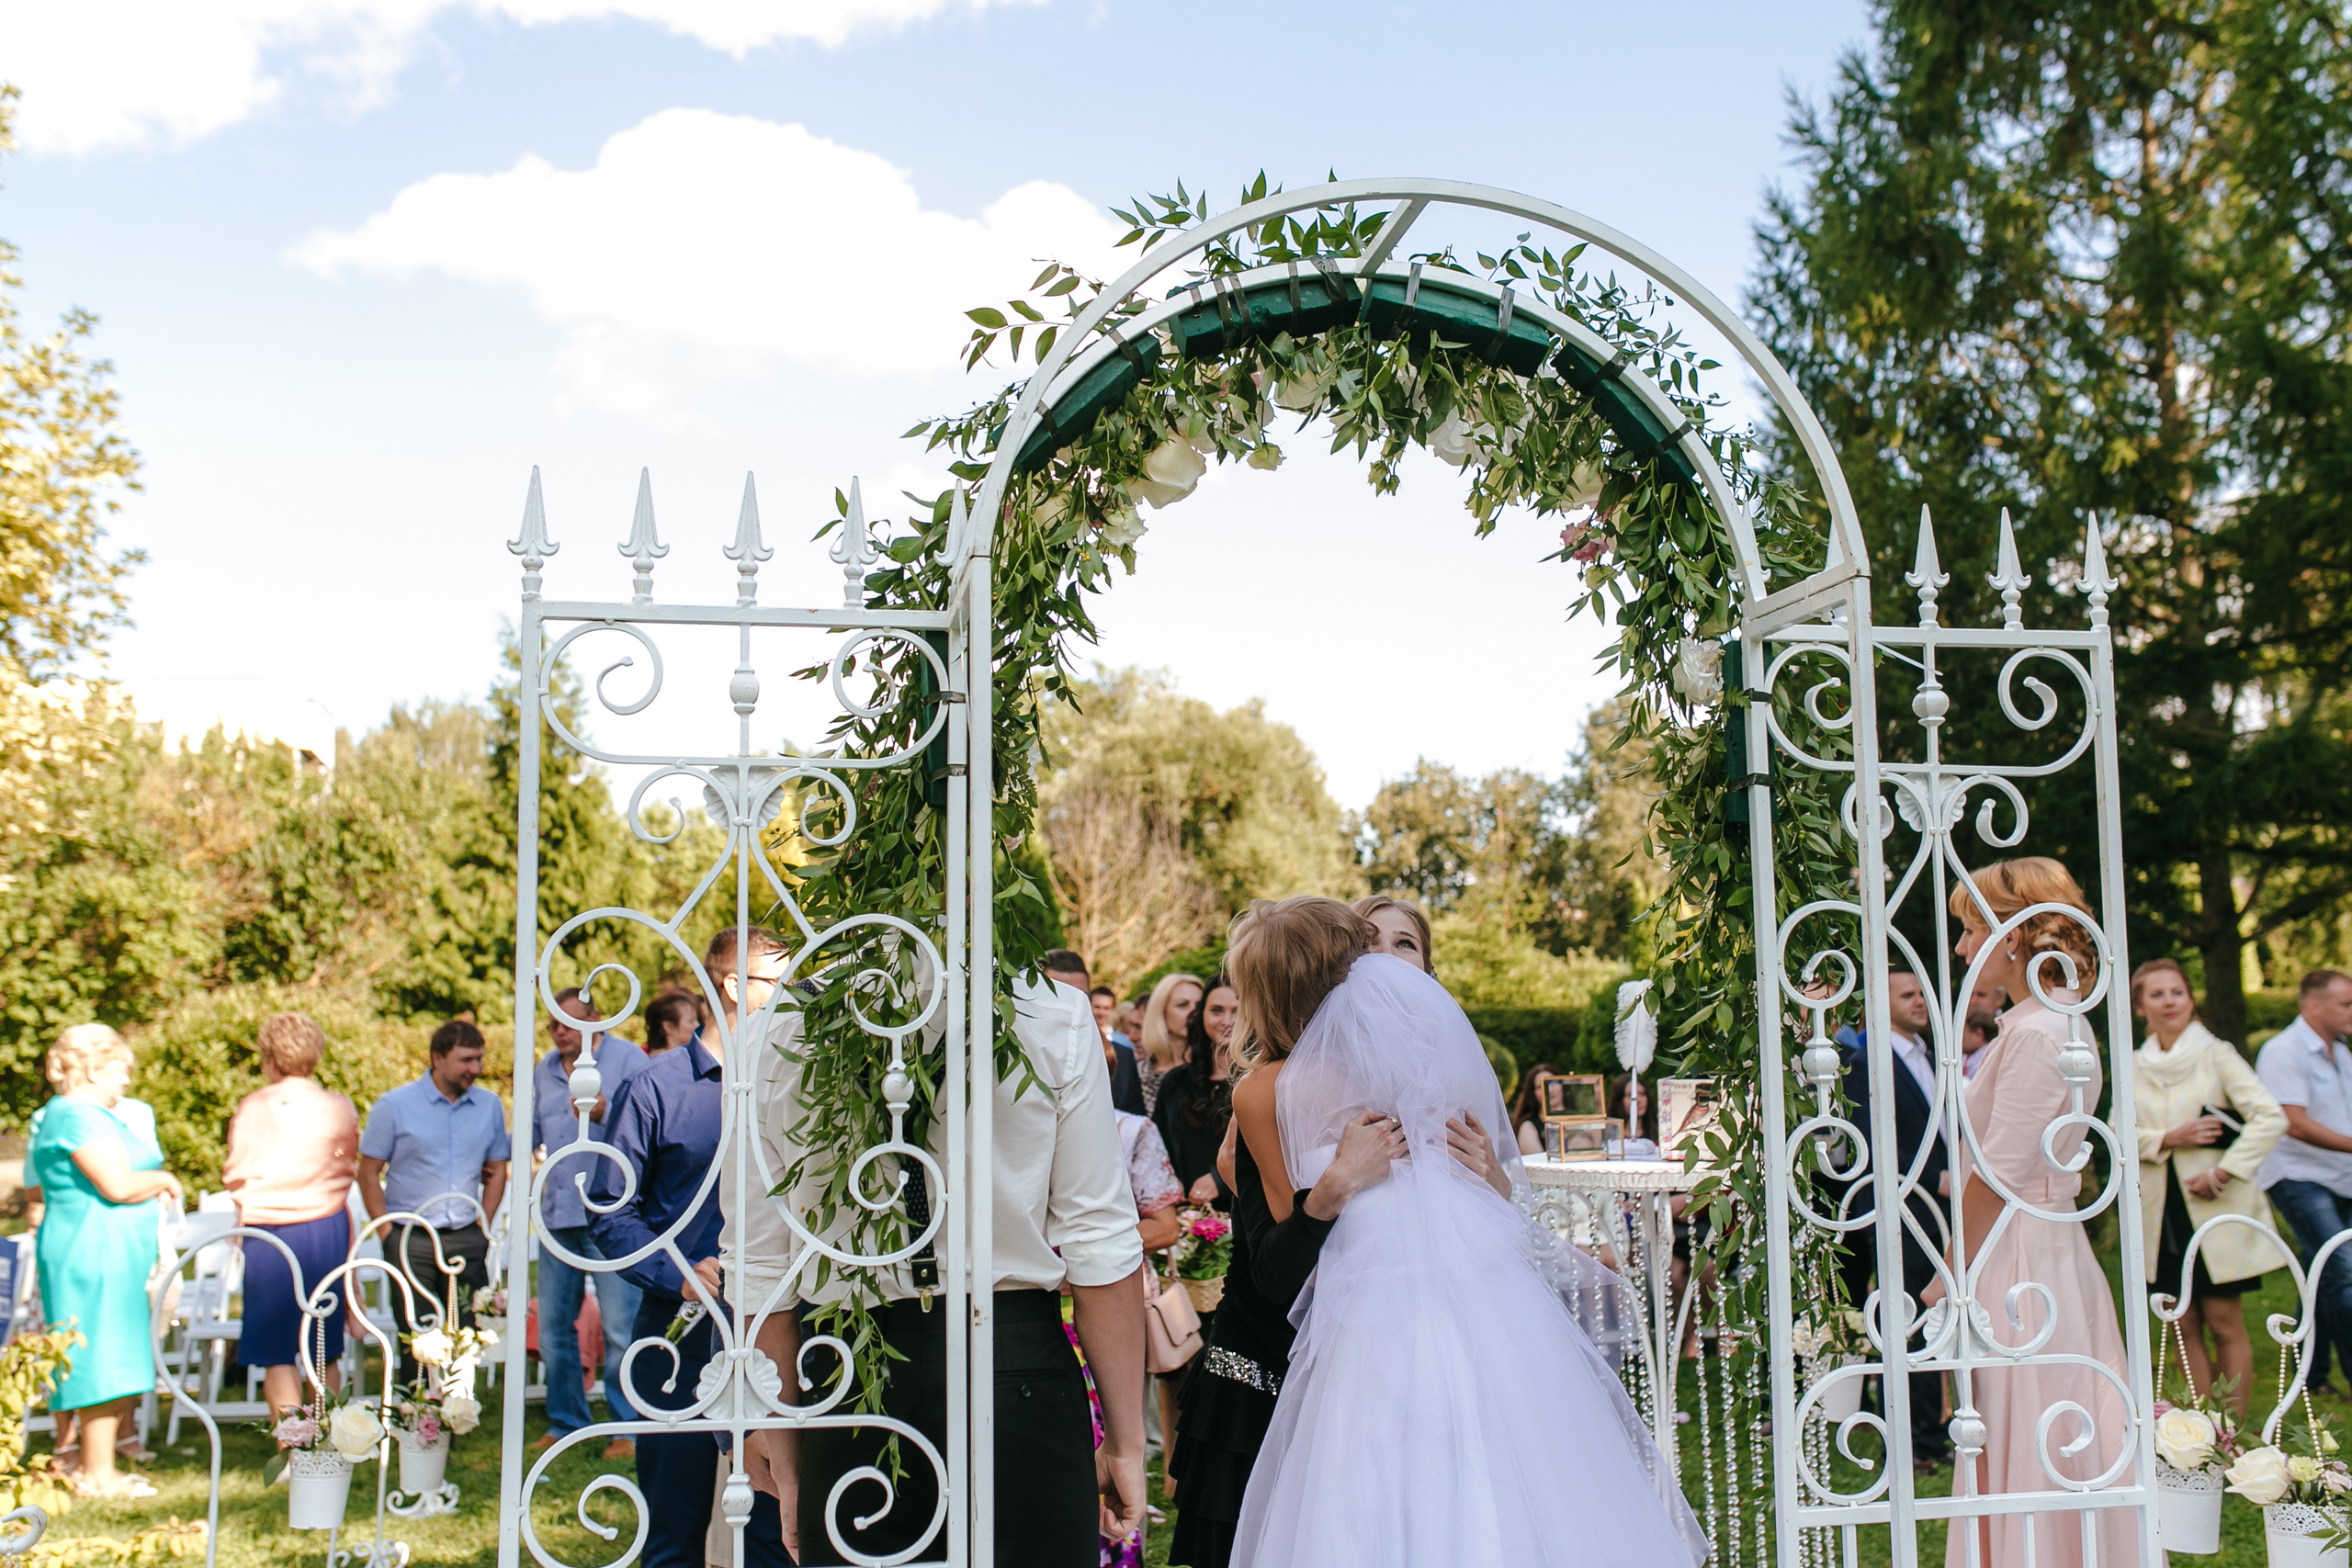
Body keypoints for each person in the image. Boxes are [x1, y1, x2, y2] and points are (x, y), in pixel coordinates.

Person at [1222, 897, 1707, 1568]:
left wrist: (1492, 1182)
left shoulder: (1407, 1070)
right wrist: (1336, 1183)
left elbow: (1475, 1195)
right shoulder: (1284, 1088)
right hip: (1386, 1315)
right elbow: (1280, 1249)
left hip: (1442, 1306)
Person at [729, 945, 1149, 1566]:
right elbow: (1099, 1242)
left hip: (846, 1379)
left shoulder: (779, 1024)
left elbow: (762, 1265)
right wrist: (1126, 1441)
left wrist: (783, 1437)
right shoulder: (1047, 1009)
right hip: (1010, 1367)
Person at [1927, 856, 2136, 1568]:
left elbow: (1999, 1176)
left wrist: (1947, 1276)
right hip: (2036, 1247)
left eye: (1967, 929)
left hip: (2019, 1260)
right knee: (2028, 1422)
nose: (1960, 949)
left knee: (2029, 1423)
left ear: (2011, 936)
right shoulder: (2039, 1024)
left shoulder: (2041, 1032)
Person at [590, 927, 795, 1568]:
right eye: (781, 983)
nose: (797, 998)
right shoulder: (653, 1089)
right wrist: (674, 1270)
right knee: (672, 1525)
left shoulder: (800, 1083)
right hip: (676, 1334)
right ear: (734, 987)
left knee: (775, 1525)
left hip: (777, 1327)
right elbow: (610, 1210)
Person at [30, 1023, 182, 1499]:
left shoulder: (94, 1112)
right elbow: (115, 1184)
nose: (127, 1081)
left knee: (116, 1353)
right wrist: (163, 1178)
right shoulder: (75, 1114)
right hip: (89, 1250)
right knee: (95, 1355)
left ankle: (105, 1467)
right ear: (94, 1067)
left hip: (114, 1252)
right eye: (122, 1069)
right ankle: (95, 1474)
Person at [2132, 957, 2285, 1414]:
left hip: (2214, 1205)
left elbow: (2269, 1116)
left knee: (2223, 1319)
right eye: (2156, 994)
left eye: (2176, 991)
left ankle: (2233, 1434)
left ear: (2190, 998)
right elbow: (2117, 1130)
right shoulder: (2134, 1064)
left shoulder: (2216, 1054)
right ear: (2141, 1007)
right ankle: (2201, 1433)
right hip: (2161, 1212)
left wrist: (2224, 1171)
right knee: (2181, 1320)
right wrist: (2169, 1138)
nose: (2169, 1002)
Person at [1834, 965, 1951, 1465]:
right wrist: (1933, 1180)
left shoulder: (1930, 1056)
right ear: (1878, 1005)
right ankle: (1910, 1443)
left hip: (1941, 1209)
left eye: (1922, 992)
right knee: (1907, 1321)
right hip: (1899, 1210)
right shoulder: (1866, 1064)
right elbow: (1873, 1150)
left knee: (1934, 1320)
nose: (1920, 1001)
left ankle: (1930, 1432)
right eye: (1908, 994)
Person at [221, 1013, 360, 1427]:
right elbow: (348, 1160)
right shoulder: (338, 1106)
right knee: (324, 1342)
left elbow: (236, 1170)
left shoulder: (254, 1106)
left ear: (270, 1058)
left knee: (276, 1350)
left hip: (269, 1231)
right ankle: (329, 1442)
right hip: (325, 1229)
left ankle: (292, 1447)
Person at [358, 1019, 512, 1388]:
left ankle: (460, 1407)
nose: (475, 1069)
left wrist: (483, 1226)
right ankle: (419, 1415)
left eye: (479, 1059)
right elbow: (367, 1173)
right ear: (437, 1059)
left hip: (466, 1233)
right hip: (410, 1236)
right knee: (417, 1331)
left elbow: (497, 1169)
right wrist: (386, 1232)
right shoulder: (394, 1105)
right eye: (465, 1060)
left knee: (467, 1329)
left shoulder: (489, 1105)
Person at [531, 987, 650, 1457]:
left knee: (622, 1326)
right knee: (553, 1327)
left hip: (611, 1214)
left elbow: (647, 1131)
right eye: (552, 1023)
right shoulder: (542, 1069)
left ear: (597, 1019)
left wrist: (605, 1113)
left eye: (568, 1023)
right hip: (558, 1212)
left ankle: (628, 1427)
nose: (558, 1031)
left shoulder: (630, 1061)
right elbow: (533, 1133)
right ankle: (565, 1422)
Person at [2256, 967, 2352, 1393]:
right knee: (2344, 1271)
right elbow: (2292, 1123)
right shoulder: (2283, 1051)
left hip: (2340, 1176)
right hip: (2298, 1175)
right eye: (2346, 1004)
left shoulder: (2343, 1053)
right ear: (2314, 1006)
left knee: (2321, 1269)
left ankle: (2309, 1377)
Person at [1154, 976, 1238, 1207]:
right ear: (1201, 1015)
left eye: (1236, 1011)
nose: (1227, 1020)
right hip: (1185, 1219)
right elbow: (1156, 1148)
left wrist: (1221, 1182)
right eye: (1216, 1011)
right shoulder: (1176, 1082)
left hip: (1241, 1221)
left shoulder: (1260, 1080)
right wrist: (1170, 1182)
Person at [1043, 951, 1145, 1115]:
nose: (1069, 1007)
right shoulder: (1011, 1058)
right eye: (1056, 996)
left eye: (1079, 997)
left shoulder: (1122, 1058)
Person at [1136, 973, 1204, 1115]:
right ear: (1161, 1012)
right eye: (1182, 1005)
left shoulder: (1214, 1071)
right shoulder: (1138, 1076)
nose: (1193, 1012)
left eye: (1200, 1005)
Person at [1510, 1063, 1565, 1157]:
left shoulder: (1583, 1119)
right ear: (1533, 1094)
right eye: (1540, 1087)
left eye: (1552, 1083)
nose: (1549, 1090)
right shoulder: (1529, 1127)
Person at [642, 992, 699, 1057]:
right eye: (691, 1021)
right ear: (668, 1027)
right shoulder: (660, 1062)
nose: (697, 1025)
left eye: (697, 1020)